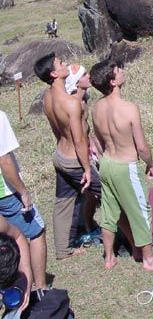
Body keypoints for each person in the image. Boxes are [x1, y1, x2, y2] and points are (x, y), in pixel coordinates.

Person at [89, 59, 153, 271]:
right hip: (126, 166)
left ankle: (109, 257)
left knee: (109, 211)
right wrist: (151, 163)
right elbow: (142, 146)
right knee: (141, 211)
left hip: (106, 163)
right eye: (118, 70)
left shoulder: (96, 108)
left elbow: (98, 141)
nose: (122, 71)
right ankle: (149, 259)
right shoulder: (129, 108)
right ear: (113, 81)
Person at [33, 54, 100, 260]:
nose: (65, 65)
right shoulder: (71, 103)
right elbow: (79, 140)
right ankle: (125, 239)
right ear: (54, 73)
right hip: (74, 161)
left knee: (63, 202)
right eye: (61, 64)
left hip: (60, 155)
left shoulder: (47, 97)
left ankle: (63, 250)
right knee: (109, 191)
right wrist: (87, 169)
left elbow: (57, 131)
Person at [0, 111, 47, 294]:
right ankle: (39, 288)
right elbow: (4, 161)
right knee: (36, 232)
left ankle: (9, 285)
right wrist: (23, 191)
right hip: (6, 192)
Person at [65, 64, 101, 243]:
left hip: (89, 148)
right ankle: (87, 227)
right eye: (85, 75)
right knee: (93, 193)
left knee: (91, 194)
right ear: (77, 83)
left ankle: (88, 223)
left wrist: (94, 144)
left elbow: (85, 130)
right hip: (80, 153)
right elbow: (76, 136)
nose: (89, 76)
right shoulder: (74, 104)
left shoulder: (84, 98)